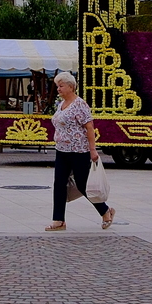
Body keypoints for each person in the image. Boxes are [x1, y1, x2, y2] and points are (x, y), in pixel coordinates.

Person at [46, 72, 116, 231]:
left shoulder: (80, 104)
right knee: (59, 183)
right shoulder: (61, 104)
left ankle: (105, 211)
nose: (58, 89)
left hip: (78, 150)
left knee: (83, 184)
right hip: (62, 150)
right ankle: (58, 220)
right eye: (57, 86)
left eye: (61, 86)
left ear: (71, 87)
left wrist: (93, 150)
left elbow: (89, 127)